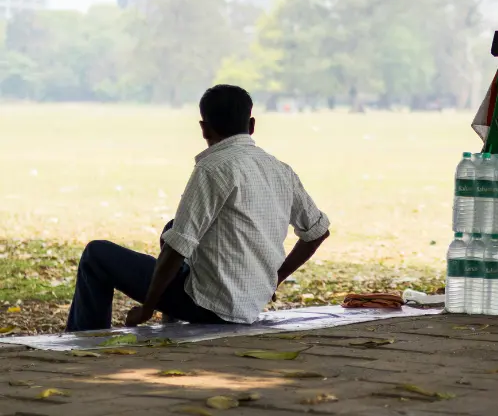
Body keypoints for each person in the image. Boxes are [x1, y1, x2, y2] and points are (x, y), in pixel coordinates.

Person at [66, 85, 331, 332]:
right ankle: (172, 316)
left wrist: (146, 310)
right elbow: (317, 231)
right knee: (171, 228)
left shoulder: (212, 168)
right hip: (250, 304)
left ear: (204, 129)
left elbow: (176, 249)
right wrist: (276, 277)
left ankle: (87, 340)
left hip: (211, 306)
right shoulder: (279, 169)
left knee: (96, 255)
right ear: (251, 125)